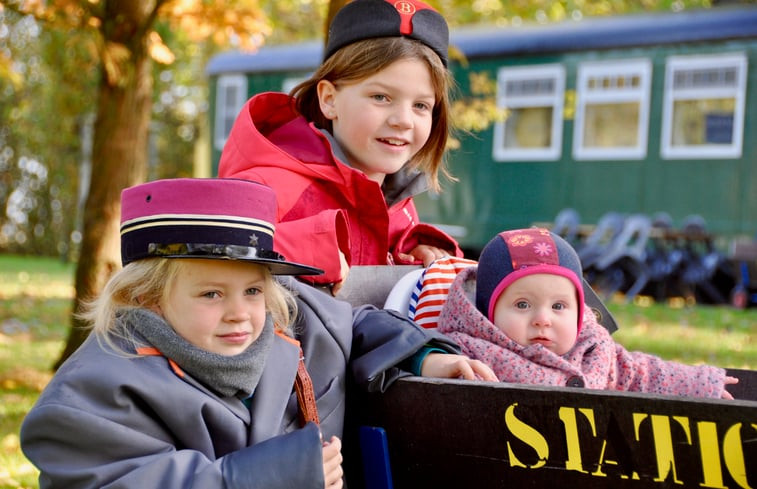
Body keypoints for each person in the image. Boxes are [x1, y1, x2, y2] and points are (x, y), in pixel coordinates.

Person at [20, 178, 497, 489]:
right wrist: (277, 476)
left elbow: (354, 324)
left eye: (252, 290)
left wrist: (421, 357)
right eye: (211, 295)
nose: (241, 315)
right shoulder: (92, 392)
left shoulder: (285, 316)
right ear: (145, 298)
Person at [218, 0, 463, 294]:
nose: (403, 120)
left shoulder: (400, 205)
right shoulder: (267, 186)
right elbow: (216, 248)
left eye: (421, 105)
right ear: (329, 100)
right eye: (381, 97)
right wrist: (315, 252)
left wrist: (417, 252)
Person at [437, 227, 739, 399]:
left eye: (559, 306)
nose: (543, 319)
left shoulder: (592, 351)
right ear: (487, 313)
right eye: (522, 305)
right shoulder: (472, 353)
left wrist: (699, 382)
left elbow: (642, 374)